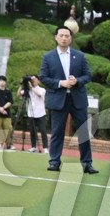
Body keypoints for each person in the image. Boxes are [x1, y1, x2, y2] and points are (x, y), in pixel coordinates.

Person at [38, 26, 97, 174]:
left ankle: (87, 163)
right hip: (58, 99)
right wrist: (61, 83)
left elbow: (88, 75)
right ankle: (54, 162)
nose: (64, 38)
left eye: (67, 36)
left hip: (77, 98)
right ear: (56, 37)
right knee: (57, 132)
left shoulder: (80, 56)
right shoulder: (48, 57)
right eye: (61, 35)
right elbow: (44, 78)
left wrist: (77, 80)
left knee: (83, 132)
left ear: (70, 39)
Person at [19, 74, 48, 153]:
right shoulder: (28, 90)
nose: (33, 81)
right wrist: (23, 84)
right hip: (31, 113)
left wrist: (31, 87)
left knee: (43, 130)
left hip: (40, 113)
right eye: (32, 79)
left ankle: (45, 148)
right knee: (32, 130)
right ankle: (33, 146)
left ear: (38, 81)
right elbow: (19, 94)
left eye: (35, 79)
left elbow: (39, 94)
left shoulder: (42, 89)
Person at [0, 75, 14, 150]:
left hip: (6, 113)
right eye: (0, 80)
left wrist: (3, 108)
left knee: (8, 128)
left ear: (5, 82)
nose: (2, 82)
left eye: (3, 80)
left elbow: (10, 102)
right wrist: (0, 109)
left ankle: (9, 144)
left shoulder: (8, 91)